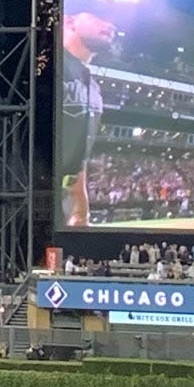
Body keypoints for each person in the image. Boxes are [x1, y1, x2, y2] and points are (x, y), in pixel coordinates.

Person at [61, 11, 116, 226]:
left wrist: (81, 208)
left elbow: (78, 155)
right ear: (69, 21)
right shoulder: (50, 64)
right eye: (98, 15)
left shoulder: (92, 86)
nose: (109, 24)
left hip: (63, 199)